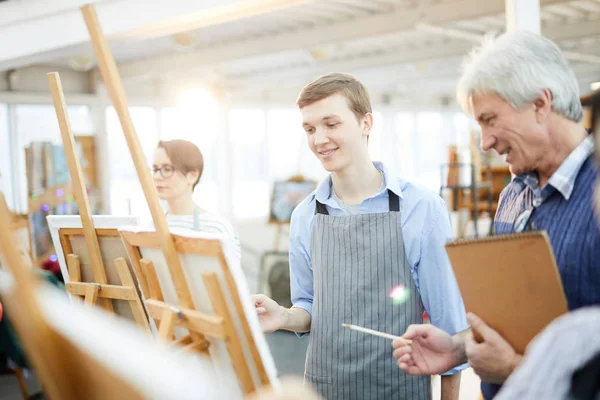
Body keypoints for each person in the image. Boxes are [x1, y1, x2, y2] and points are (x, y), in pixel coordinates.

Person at [392, 31, 600, 399]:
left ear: (540, 104)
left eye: (490, 120)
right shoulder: (513, 195)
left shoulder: (597, 195)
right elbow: (508, 322)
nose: (485, 142)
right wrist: (457, 347)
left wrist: (515, 369)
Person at [252, 73, 467, 399]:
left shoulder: (421, 209)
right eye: (309, 129)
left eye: (331, 124)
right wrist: (283, 316)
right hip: (324, 388)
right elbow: (310, 308)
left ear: (366, 123)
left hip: (398, 388)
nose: (319, 139)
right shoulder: (304, 215)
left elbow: (448, 324)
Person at [151, 139, 240, 257]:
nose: (157, 176)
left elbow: (230, 275)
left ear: (192, 176)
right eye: (155, 169)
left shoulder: (217, 229)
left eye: (167, 169)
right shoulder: (151, 228)